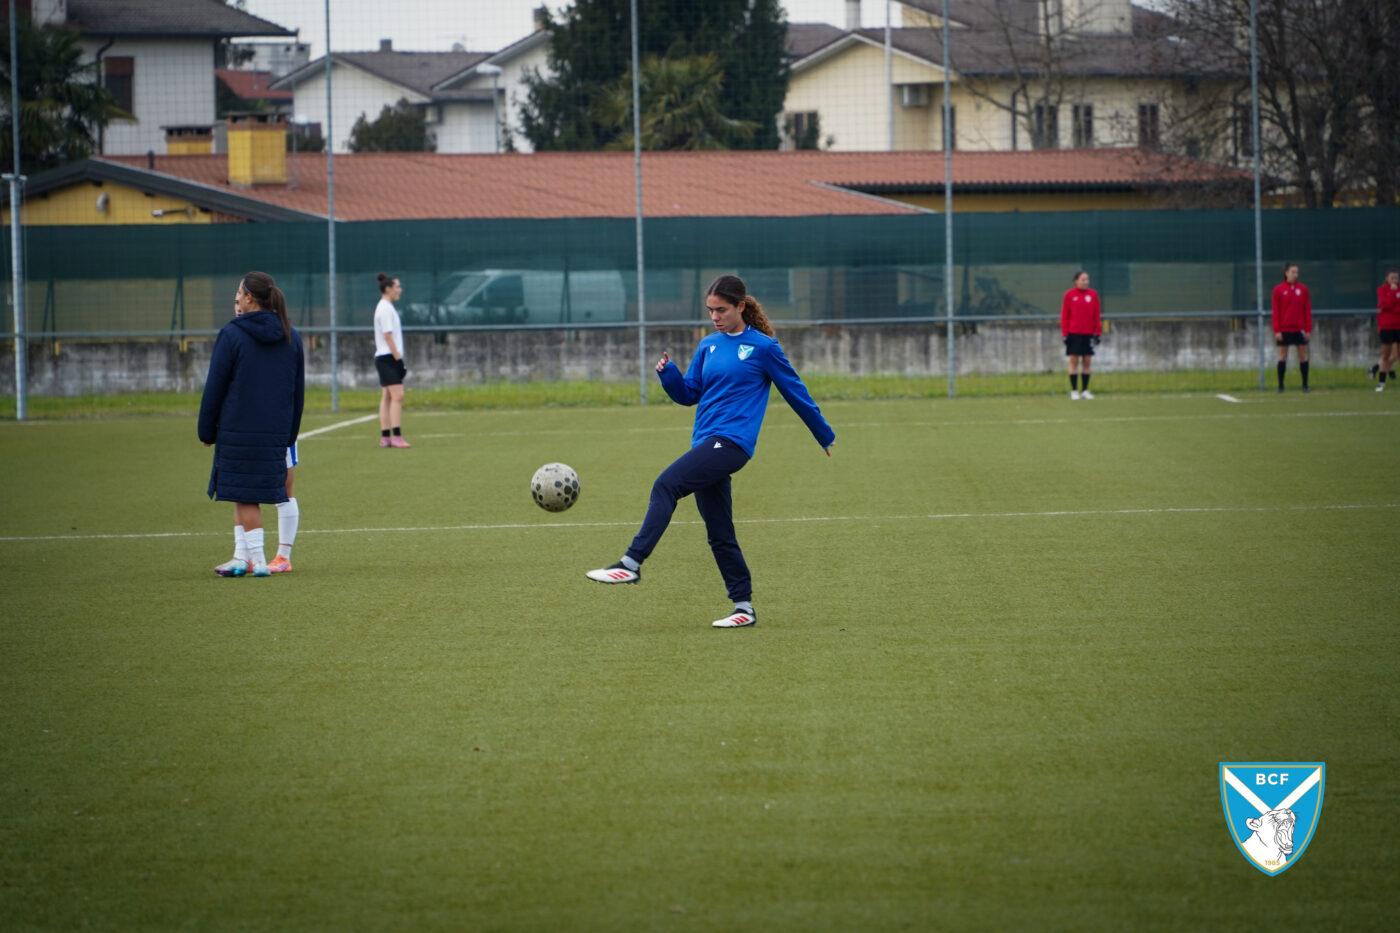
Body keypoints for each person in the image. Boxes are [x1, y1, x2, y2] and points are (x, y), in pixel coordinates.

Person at [585, 274, 835, 628]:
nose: (715, 317)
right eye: (710, 310)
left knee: (666, 485)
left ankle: (631, 563)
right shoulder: (708, 345)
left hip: (732, 443)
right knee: (720, 533)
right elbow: (690, 394)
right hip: (706, 442)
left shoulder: (764, 348)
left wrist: (823, 434)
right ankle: (744, 608)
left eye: (721, 310)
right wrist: (669, 374)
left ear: (741, 307)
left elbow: (796, 392)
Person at [200, 272, 305, 577]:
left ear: (249, 297)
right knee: (245, 491)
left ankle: (259, 560)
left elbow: (215, 386)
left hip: (238, 429)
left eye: (239, 293)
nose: (236, 299)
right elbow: (298, 391)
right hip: (277, 431)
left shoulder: (232, 334)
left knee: (244, 493)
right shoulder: (291, 335)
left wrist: (206, 429)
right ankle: (242, 557)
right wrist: (290, 433)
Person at [374, 273, 410, 448]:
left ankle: (385, 437)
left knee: (387, 396)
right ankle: (396, 436)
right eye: (397, 287)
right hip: (387, 358)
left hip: (385, 358)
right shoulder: (385, 309)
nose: (399, 290)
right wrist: (398, 359)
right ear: (388, 289)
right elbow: (387, 336)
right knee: (398, 396)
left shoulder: (386, 307)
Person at [1060, 270, 1102, 400]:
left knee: (1087, 362)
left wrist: (1097, 333)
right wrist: (1065, 334)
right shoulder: (1069, 295)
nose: (1086, 282)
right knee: (1074, 361)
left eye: (1087, 279)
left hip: (1089, 334)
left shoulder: (1093, 295)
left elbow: (1096, 315)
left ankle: (1085, 391)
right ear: (1076, 281)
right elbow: (1065, 315)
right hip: (1074, 334)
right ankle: (1074, 391)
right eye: (1083, 279)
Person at [1271, 263, 1313, 392]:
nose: (1295, 275)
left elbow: (1307, 310)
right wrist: (1277, 330)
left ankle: (1305, 385)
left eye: (1297, 272)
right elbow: (1276, 312)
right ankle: (1280, 386)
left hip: (1300, 329)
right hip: (1284, 329)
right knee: (1283, 355)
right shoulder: (1278, 290)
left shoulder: (1303, 289)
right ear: (1286, 273)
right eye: (1293, 272)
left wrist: (1308, 330)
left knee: (1303, 355)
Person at [1370, 269, 1400, 392]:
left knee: (1397, 355)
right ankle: (1381, 383)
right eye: (1392, 278)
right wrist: (1392, 293)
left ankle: (1375, 368)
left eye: (1396, 278)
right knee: (1386, 355)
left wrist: (1393, 305)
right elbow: (1386, 305)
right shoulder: (1382, 290)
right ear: (1387, 278)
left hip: (1398, 326)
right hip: (1387, 327)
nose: (1395, 280)